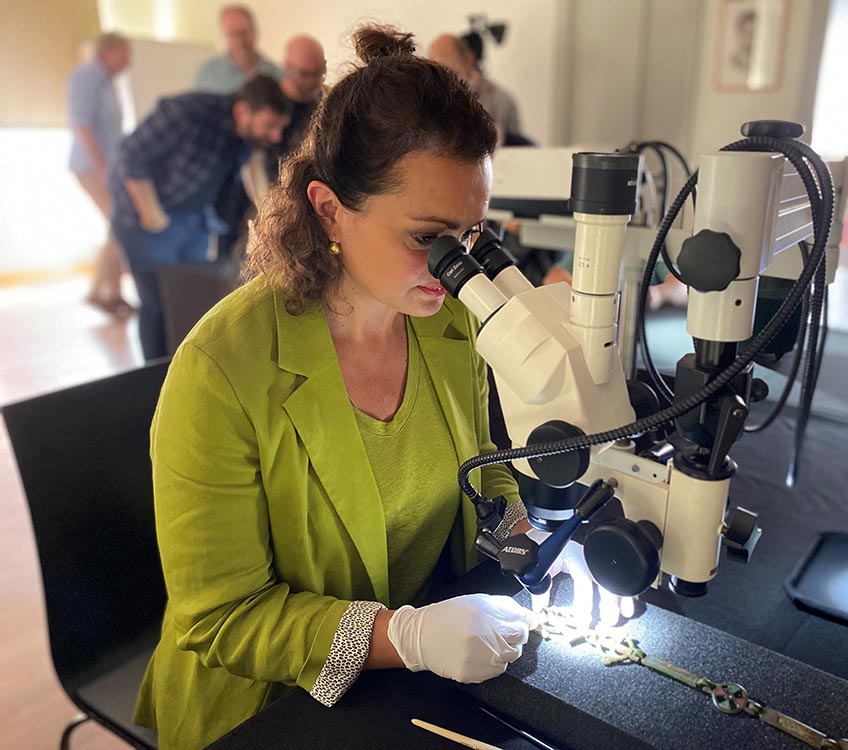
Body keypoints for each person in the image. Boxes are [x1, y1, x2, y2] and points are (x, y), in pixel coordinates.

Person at [133, 25, 630, 750]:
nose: (457, 266)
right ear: (329, 209)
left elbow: (484, 471)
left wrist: (538, 540)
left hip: (409, 667)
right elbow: (223, 618)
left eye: (471, 236)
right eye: (428, 238)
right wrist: (407, 636)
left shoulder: (449, 321)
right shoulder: (222, 371)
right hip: (270, 701)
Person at [110, 75, 291, 361]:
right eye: (270, 125)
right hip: (146, 219)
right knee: (156, 304)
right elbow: (131, 155)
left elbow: (252, 166)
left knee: (188, 298)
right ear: (243, 110)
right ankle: (155, 374)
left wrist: (271, 212)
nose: (275, 136)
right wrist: (150, 212)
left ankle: (187, 368)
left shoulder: (247, 137)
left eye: (279, 128)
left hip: (193, 220)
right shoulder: (187, 113)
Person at [67, 32, 133, 317]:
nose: (129, 60)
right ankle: (108, 292)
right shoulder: (86, 77)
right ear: (108, 52)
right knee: (120, 224)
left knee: (116, 227)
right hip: (91, 167)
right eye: (125, 53)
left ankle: (101, 291)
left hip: (108, 168)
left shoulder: (108, 82)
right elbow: (81, 125)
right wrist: (102, 167)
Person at [243, 34, 328, 204]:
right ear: (287, 67)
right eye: (303, 74)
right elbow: (251, 164)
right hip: (271, 199)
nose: (311, 81)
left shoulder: (327, 103)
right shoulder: (267, 105)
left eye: (318, 73)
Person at [427, 33, 521, 143]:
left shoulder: (501, 100)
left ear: (469, 60)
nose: (446, 83)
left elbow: (518, 147)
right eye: (437, 74)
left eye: (453, 73)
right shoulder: (428, 100)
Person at [194, 5, 282, 93]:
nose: (240, 40)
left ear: (255, 32)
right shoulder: (208, 73)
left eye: (244, 32)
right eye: (233, 34)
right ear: (224, 35)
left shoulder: (275, 73)